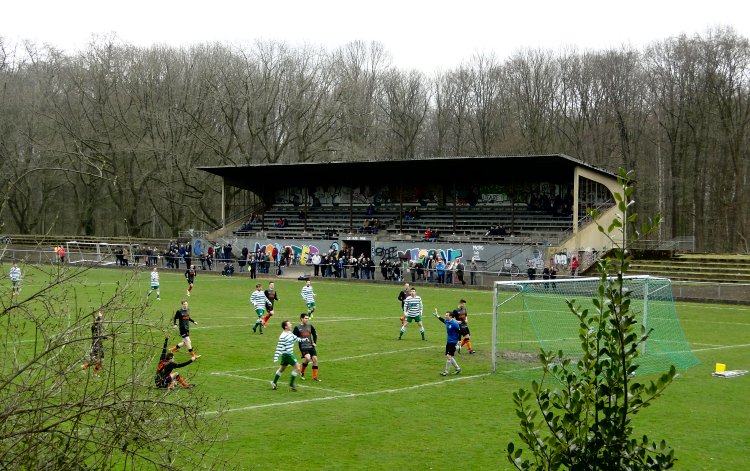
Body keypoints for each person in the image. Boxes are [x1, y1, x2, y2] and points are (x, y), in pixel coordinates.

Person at [271, 319, 310, 391]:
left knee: (281, 369)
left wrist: (304, 340)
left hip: (285, 355)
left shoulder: (290, 333)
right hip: (288, 355)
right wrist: (276, 356)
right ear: (286, 327)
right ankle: (291, 384)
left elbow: (296, 339)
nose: (291, 325)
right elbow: (279, 347)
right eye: (289, 324)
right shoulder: (282, 336)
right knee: (297, 368)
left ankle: (274, 382)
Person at [293, 313, 321, 381]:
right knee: (308, 358)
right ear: (301, 319)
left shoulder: (310, 326)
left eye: (307, 318)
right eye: (305, 318)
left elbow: (315, 334)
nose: (307, 319)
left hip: (310, 346)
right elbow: (293, 337)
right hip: (303, 346)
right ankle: (302, 372)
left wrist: (314, 342)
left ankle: (315, 377)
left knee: (315, 359)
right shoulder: (297, 328)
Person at [433, 309, 462, 376]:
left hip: (453, 342)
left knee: (449, 356)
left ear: (451, 316)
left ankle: (446, 372)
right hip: (449, 341)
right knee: (448, 356)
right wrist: (437, 316)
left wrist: (459, 342)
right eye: (445, 315)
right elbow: (443, 320)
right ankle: (458, 369)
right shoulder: (448, 321)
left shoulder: (454, 324)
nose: (445, 316)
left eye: (447, 315)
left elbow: (459, 332)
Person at [82, 311, 108, 376]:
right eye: (99, 320)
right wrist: (100, 316)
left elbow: (99, 336)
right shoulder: (94, 327)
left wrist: (106, 337)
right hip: (95, 345)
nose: (101, 321)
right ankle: (85, 366)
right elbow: (98, 336)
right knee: (95, 360)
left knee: (101, 360)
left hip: (100, 345)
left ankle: (93, 372)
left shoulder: (98, 327)